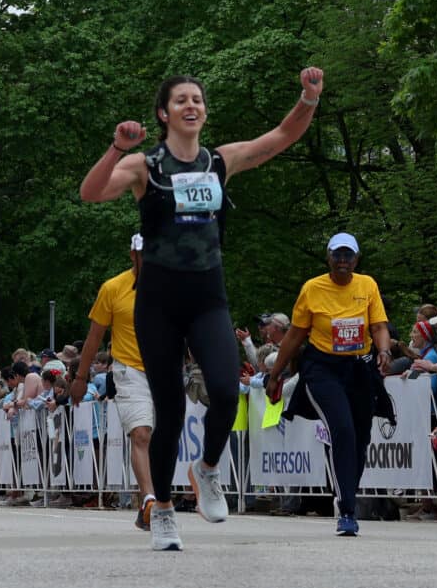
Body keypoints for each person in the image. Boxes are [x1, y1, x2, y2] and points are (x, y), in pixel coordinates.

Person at [78, 64, 325, 552]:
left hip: (208, 298)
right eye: (181, 100)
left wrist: (309, 97)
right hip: (158, 304)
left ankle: (208, 469)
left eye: (198, 100)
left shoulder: (219, 161)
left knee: (225, 392)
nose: (192, 105)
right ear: (163, 114)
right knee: (168, 411)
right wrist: (117, 149)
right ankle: (164, 510)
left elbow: (280, 137)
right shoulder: (145, 167)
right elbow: (90, 193)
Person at [265, 232, 391, 539]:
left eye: (349, 256)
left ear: (357, 259)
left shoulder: (367, 285)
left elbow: (378, 326)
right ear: (329, 257)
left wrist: (384, 350)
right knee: (342, 430)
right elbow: (295, 335)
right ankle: (347, 509)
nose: (343, 261)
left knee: (361, 438)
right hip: (323, 369)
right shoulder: (312, 288)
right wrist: (275, 374)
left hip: (359, 368)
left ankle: (348, 490)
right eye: (338, 255)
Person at [74, 234, 159, 531]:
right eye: (140, 253)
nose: (146, 259)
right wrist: (81, 378)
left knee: (160, 440)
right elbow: (94, 337)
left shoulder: (172, 285)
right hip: (128, 370)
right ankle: (149, 499)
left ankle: (144, 504)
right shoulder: (113, 288)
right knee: (141, 434)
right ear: (131, 254)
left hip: (164, 370)